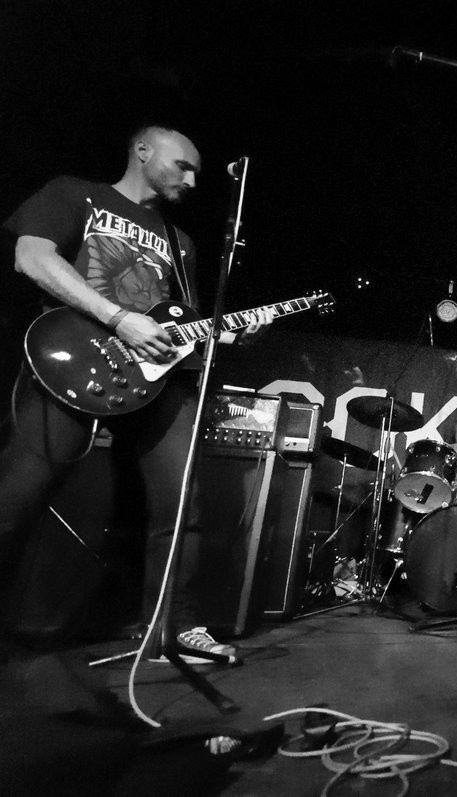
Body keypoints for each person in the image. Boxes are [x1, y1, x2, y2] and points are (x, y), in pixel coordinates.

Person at [0, 124, 270, 663]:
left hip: (152, 380)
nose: (192, 180)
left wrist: (228, 334)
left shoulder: (181, 242)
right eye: (183, 165)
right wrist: (116, 318)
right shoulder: (77, 194)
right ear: (143, 151)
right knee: (17, 493)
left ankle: (174, 630)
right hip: (74, 359)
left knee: (181, 503)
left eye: (196, 172)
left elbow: (178, 325)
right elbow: (31, 256)